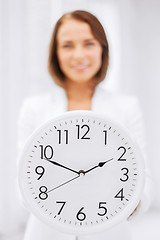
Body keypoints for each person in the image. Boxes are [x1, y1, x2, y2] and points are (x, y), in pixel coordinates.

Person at [17, 10, 152, 240]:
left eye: (88, 43)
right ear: (56, 53)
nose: (78, 55)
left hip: (111, 233)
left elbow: (143, 181)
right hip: (46, 233)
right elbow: (23, 184)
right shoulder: (34, 108)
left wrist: (131, 201)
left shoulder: (127, 107)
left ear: (102, 49)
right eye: (68, 45)